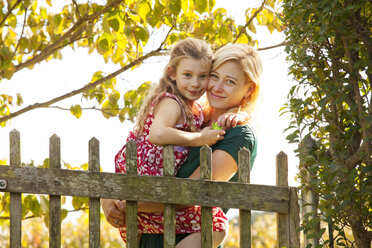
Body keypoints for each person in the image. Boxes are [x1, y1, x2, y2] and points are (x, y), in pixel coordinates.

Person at [102, 43, 263, 247]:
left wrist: (125, 203)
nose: (216, 87)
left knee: (219, 228)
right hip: (149, 236)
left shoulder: (238, 135)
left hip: (187, 239)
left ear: (249, 89)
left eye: (229, 81)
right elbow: (141, 161)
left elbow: (190, 194)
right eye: (214, 76)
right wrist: (107, 200)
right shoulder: (192, 120)